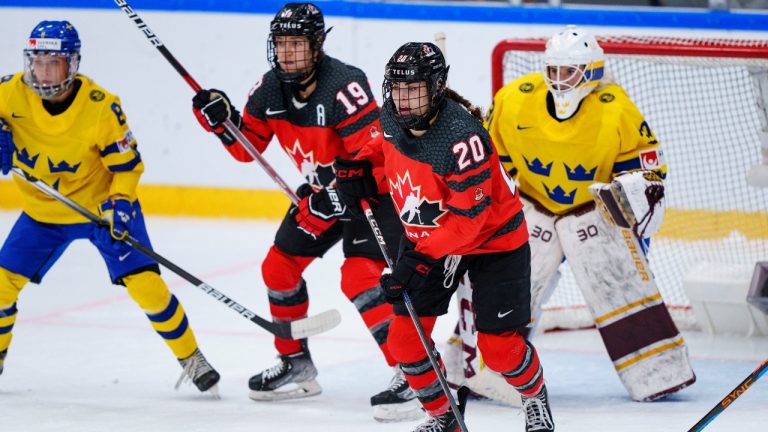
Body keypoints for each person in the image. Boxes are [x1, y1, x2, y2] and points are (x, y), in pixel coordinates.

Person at [190, 3, 419, 421]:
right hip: (323, 194)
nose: (287, 53)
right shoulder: (268, 90)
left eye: (296, 43)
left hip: (376, 192)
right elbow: (248, 151)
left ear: (316, 46)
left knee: (359, 276)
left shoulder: (344, 85)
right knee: (278, 267)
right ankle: (296, 362)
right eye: (280, 44)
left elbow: (375, 156)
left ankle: (413, 373)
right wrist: (224, 123)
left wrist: (332, 195)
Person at [333, 42, 555, 432]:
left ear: (436, 87)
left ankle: (534, 396)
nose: (402, 100)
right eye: (396, 89)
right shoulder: (393, 116)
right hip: (431, 237)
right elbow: (381, 144)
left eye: (413, 89)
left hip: (495, 239)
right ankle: (444, 416)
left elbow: (470, 223)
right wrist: (358, 164)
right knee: (404, 342)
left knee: (500, 350)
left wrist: (418, 258)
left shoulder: (460, 139)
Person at [0, 20, 219, 394]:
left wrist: (119, 206)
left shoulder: (101, 107)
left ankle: (191, 357)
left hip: (101, 210)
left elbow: (128, 167)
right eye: (38, 62)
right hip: (43, 214)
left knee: (148, 287)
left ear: (73, 64)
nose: (45, 71)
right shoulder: (7, 93)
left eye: (55, 63)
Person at [482, 25, 695, 401]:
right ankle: (482, 368)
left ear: (592, 72)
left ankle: (657, 372)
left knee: (619, 287)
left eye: (570, 72)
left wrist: (629, 196)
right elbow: (493, 157)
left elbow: (647, 171)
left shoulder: (615, 109)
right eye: (555, 71)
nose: (560, 81)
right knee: (510, 288)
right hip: (532, 206)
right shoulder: (515, 98)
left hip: (593, 213)